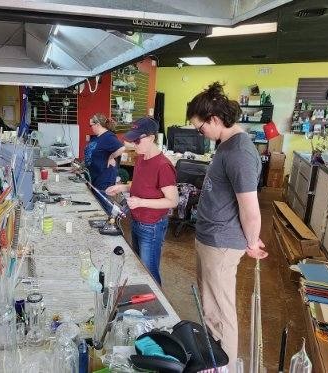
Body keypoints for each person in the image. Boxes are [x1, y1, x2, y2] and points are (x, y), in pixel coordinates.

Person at [186, 81, 267, 369]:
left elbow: (250, 209)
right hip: (210, 239)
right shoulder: (226, 145)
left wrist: (252, 242)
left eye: (200, 127)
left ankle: (225, 365)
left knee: (222, 312)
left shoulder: (239, 153)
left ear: (215, 120)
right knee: (210, 309)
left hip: (221, 244)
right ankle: (213, 360)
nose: (201, 133)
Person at [105, 117, 177, 284]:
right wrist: (122, 188)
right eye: (132, 140)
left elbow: (173, 200)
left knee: (149, 272)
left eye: (137, 140)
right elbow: (141, 185)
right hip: (137, 221)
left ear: (151, 138)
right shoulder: (141, 158)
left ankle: (156, 308)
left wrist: (140, 202)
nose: (134, 144)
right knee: (139, 267)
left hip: (151, 226)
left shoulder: (163, 166)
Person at [84, 113, 125, 192]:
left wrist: (111, 157)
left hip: (104, 178)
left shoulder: (108, 136)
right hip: (95, 176)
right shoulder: (97, 137)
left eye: (91, 125)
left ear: (98, 124)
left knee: (101, 203)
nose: (91, 128)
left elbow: (122, 148)